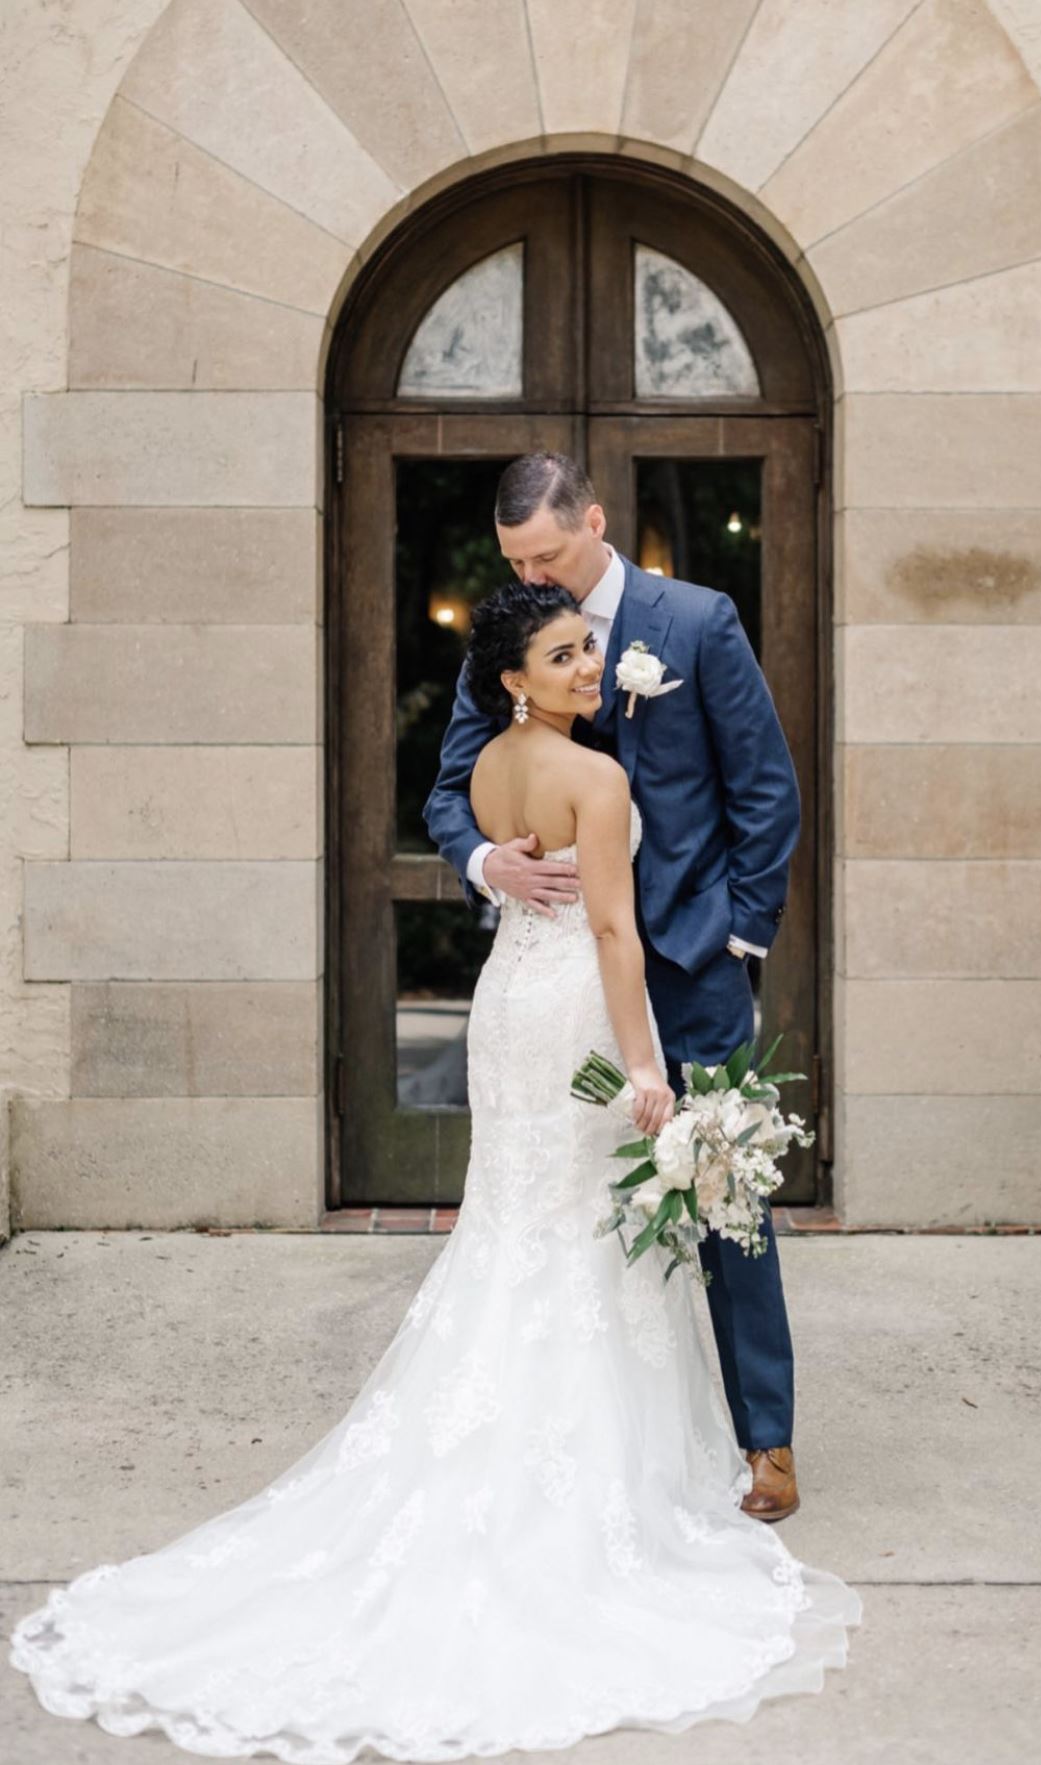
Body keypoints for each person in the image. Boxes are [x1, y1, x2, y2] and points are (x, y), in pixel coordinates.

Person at [8, 578, 860, 1761]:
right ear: (513, 675)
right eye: (563, 654)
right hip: (573, 1019)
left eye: (587, 648)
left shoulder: (491, 770)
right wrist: (648, 1067)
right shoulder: (598, 778)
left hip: (507, 1007)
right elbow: (614, 933)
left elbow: (511, 864)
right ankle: (578, 1490)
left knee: (521, 1222)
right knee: (579, 1232)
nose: (587, 666)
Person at [424, 451, 804, 1522]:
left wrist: (740, 935)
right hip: (567, 990)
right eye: (515, 560)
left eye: (547, 552)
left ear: (594, 520)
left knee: (728, 1199)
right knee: (583, 1205)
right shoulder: (506, 639)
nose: (534, 575)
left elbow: (766, 789)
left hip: (690, 959)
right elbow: (454, 792)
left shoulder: (695, 621)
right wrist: (484, 861)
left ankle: (766, 1438)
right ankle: (606, 1437)